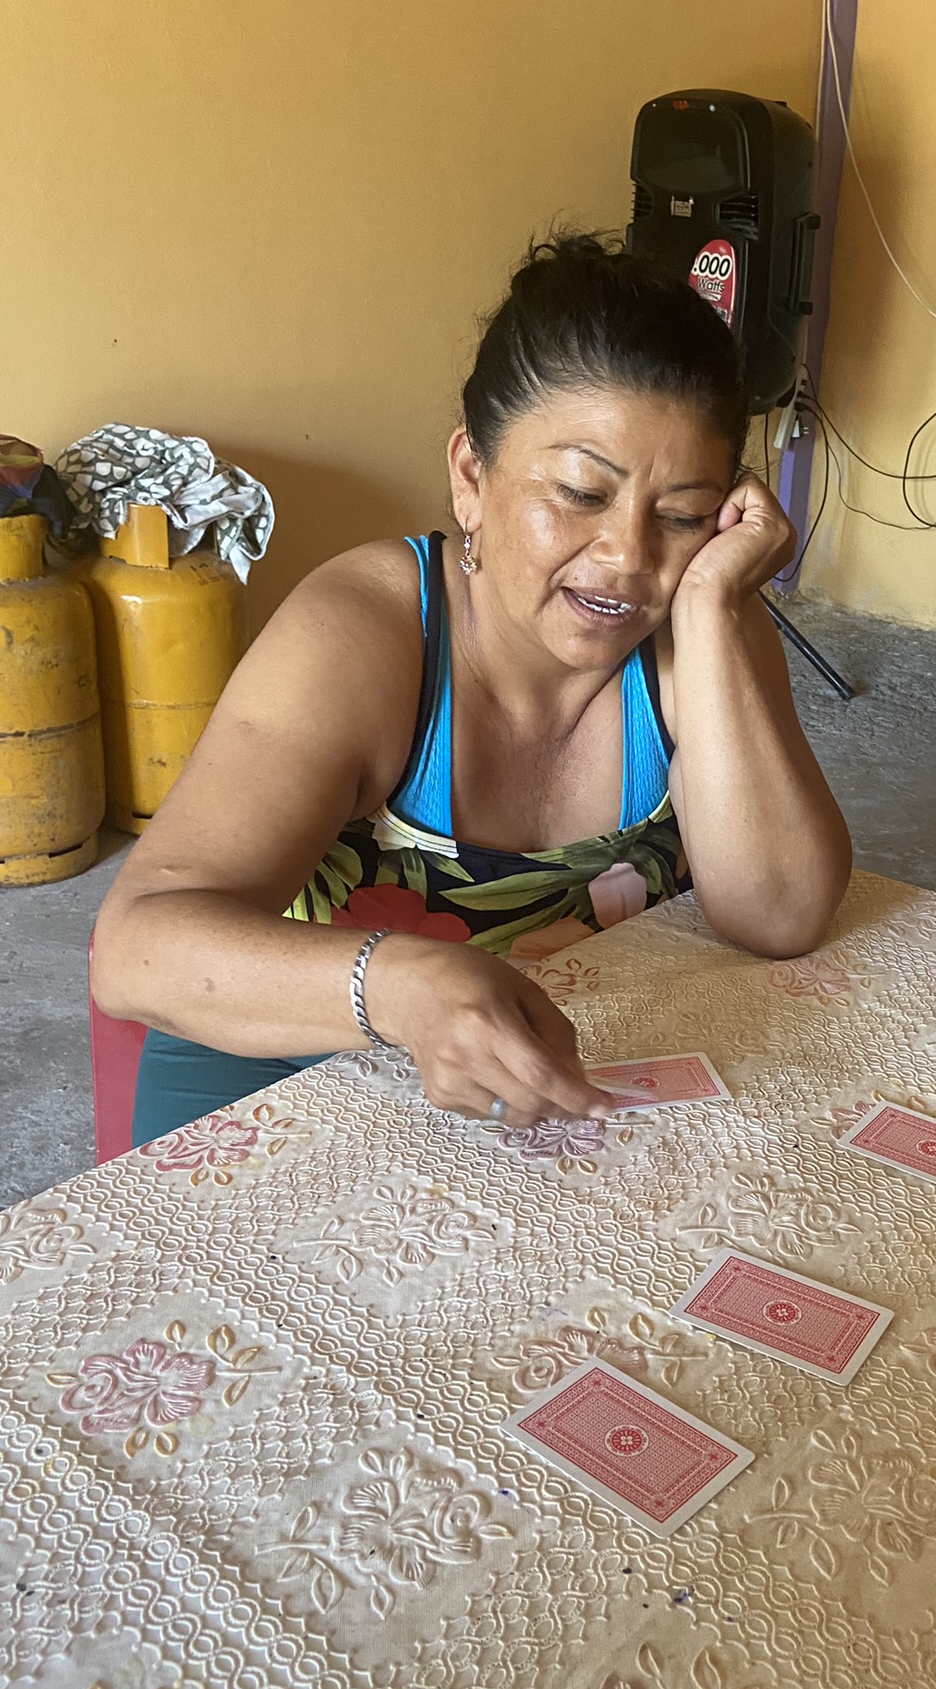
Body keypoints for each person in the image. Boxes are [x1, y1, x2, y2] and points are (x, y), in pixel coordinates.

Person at [92, 236, 852, 1143]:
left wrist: (717, 605)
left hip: (532, 1098)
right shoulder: (367, 633)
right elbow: (136, 951)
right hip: (289, 1075)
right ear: (470, 476)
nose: (629, 557)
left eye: (683, 516)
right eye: (580, 493)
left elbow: (779, 914)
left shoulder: (699, 620)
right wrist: (400, 988)